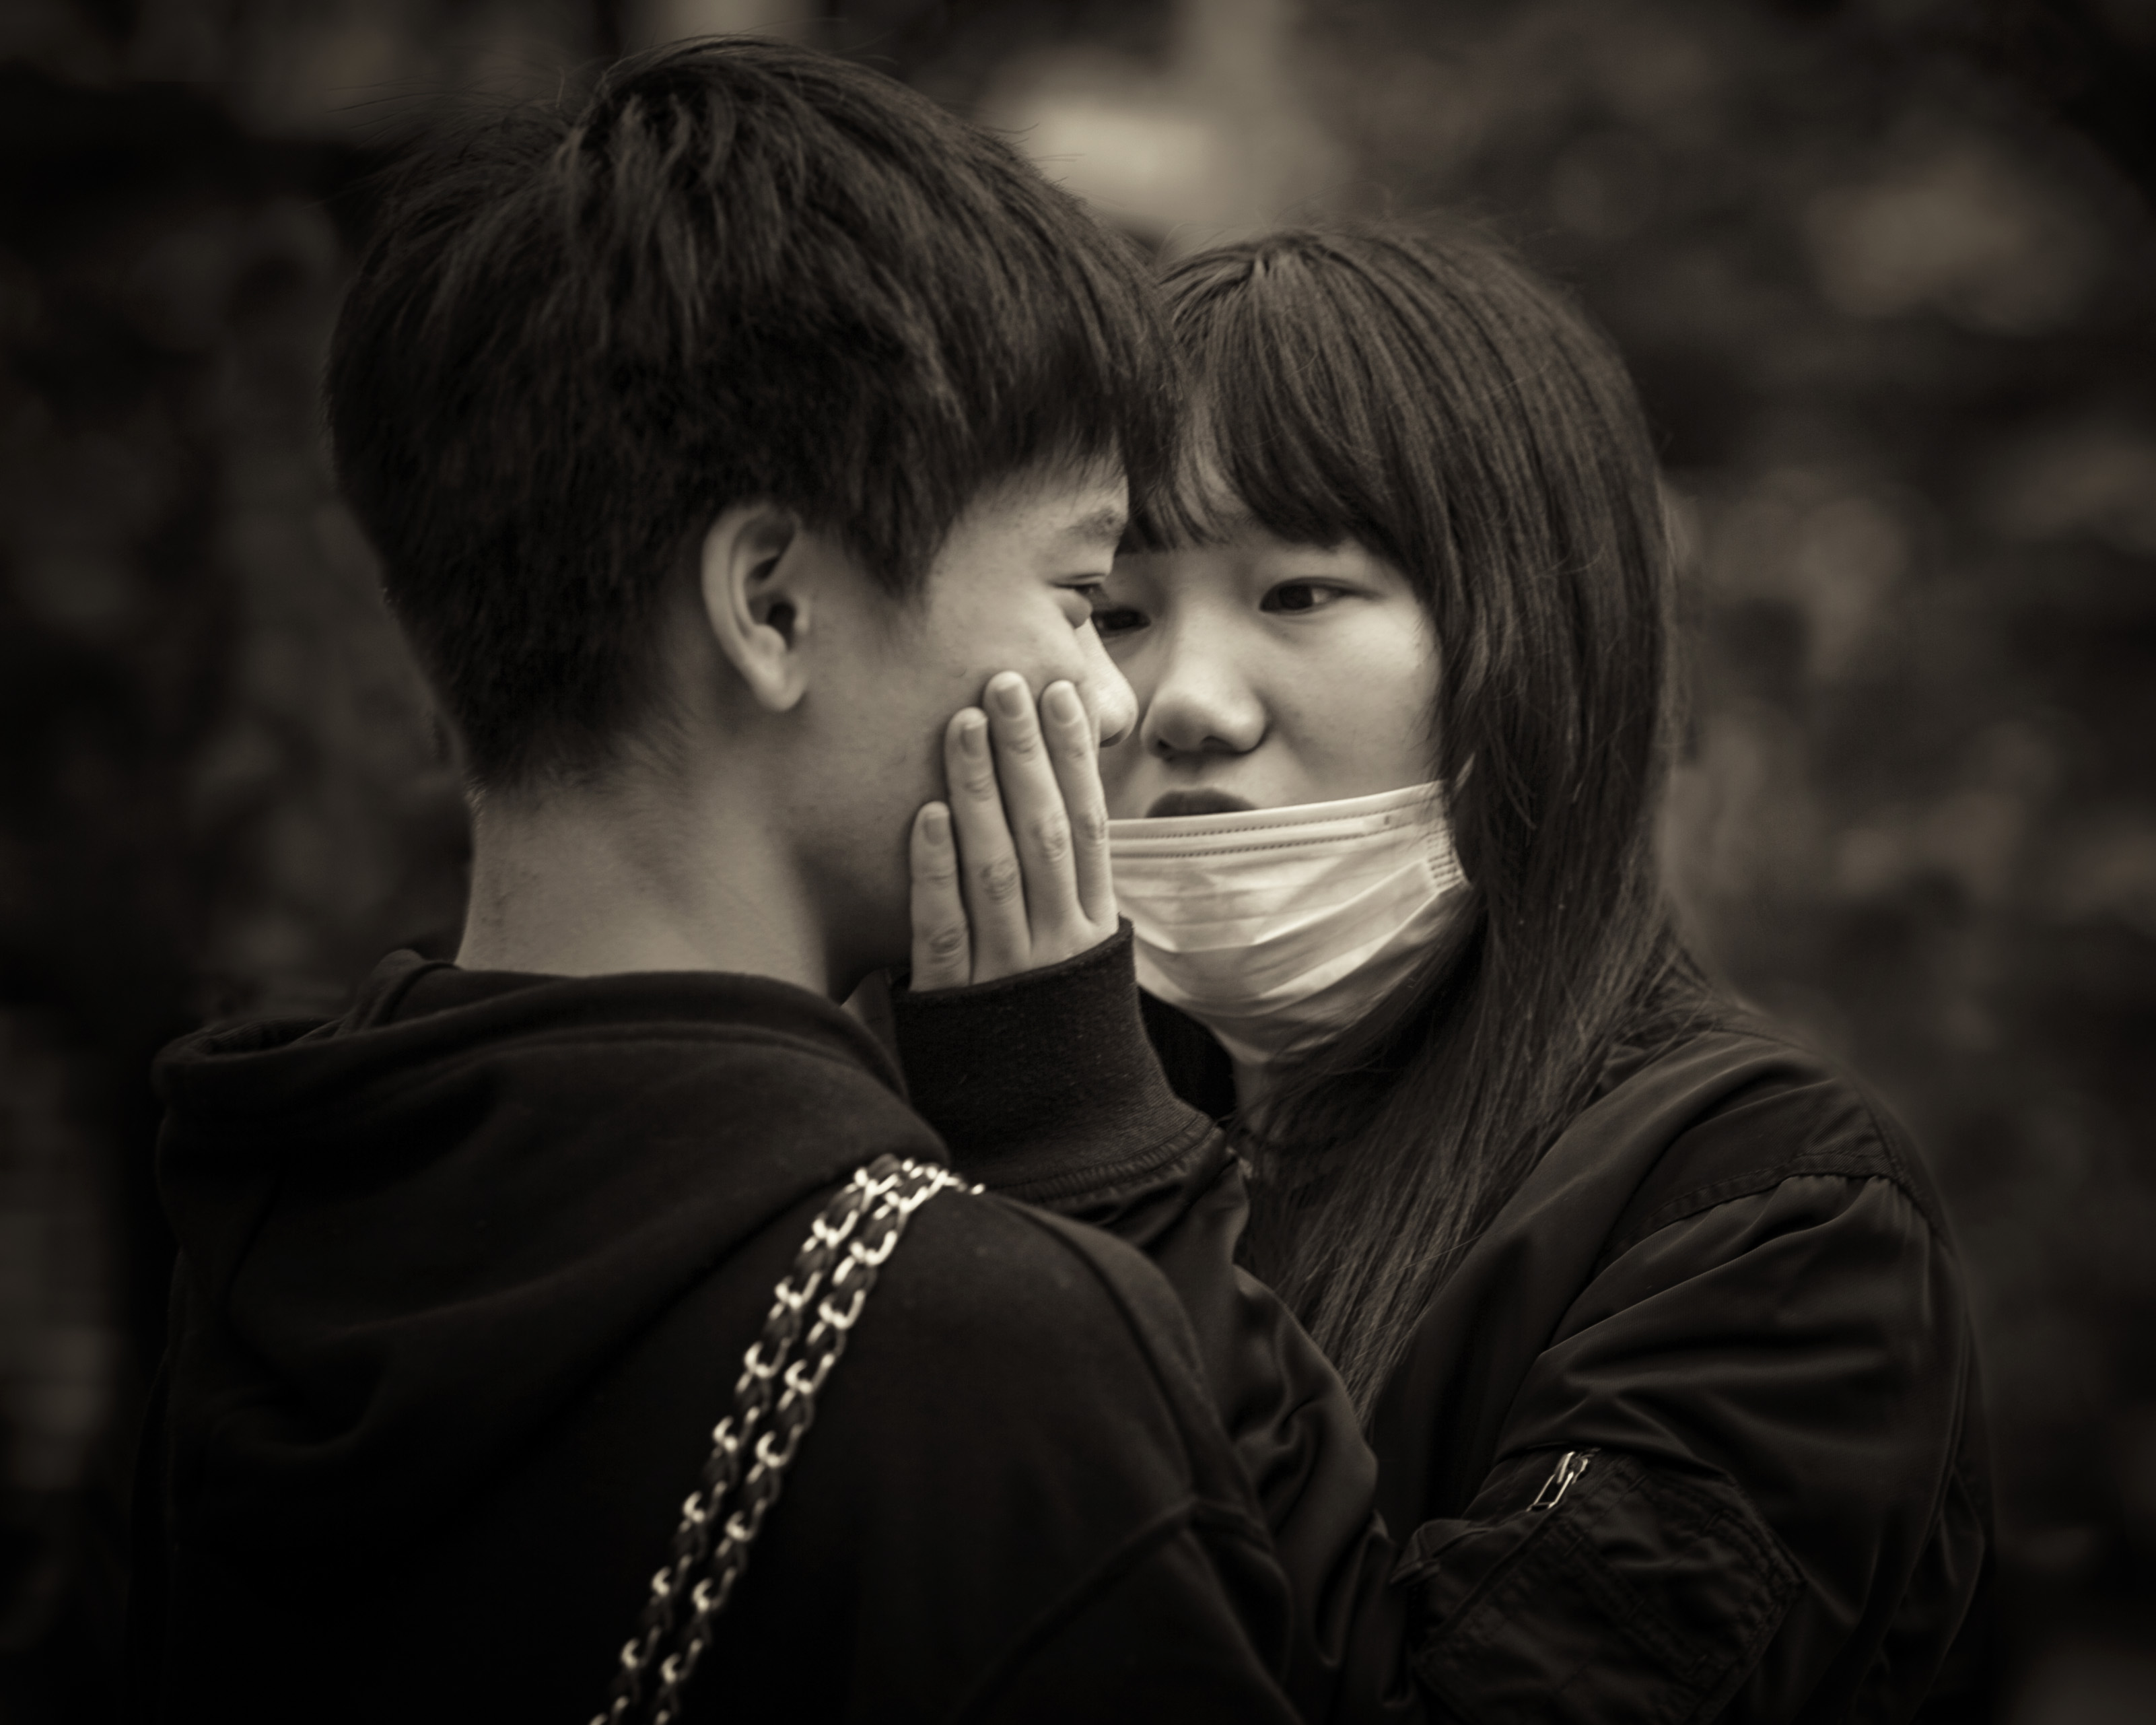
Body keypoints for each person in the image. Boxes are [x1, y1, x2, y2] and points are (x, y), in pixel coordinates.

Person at [122, 42, 1370, 1724]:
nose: (1115, 702)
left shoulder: (259, 1234)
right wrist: (1098, 1155)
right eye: (1084, 597)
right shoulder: (977, 1350)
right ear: (772, 605)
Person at [892, 225, 1990, 1721]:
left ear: (1541, 645)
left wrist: (1093, 1166)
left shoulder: (1768, 1215)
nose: (1181, 705)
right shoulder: (959, 1128)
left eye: (1300, 594)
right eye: (1115, 611)